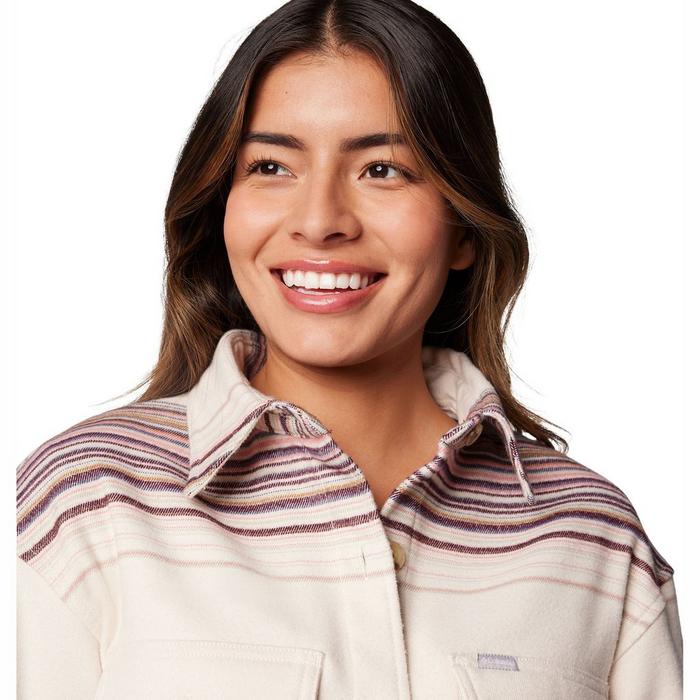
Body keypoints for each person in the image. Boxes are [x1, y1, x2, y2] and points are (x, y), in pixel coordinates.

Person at [16, 0, 682, 698]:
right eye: (272, 166)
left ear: (462, 226)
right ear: (221, 207)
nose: (320, 221)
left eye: (382, 169)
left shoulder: (593, 540)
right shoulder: (81, 505)